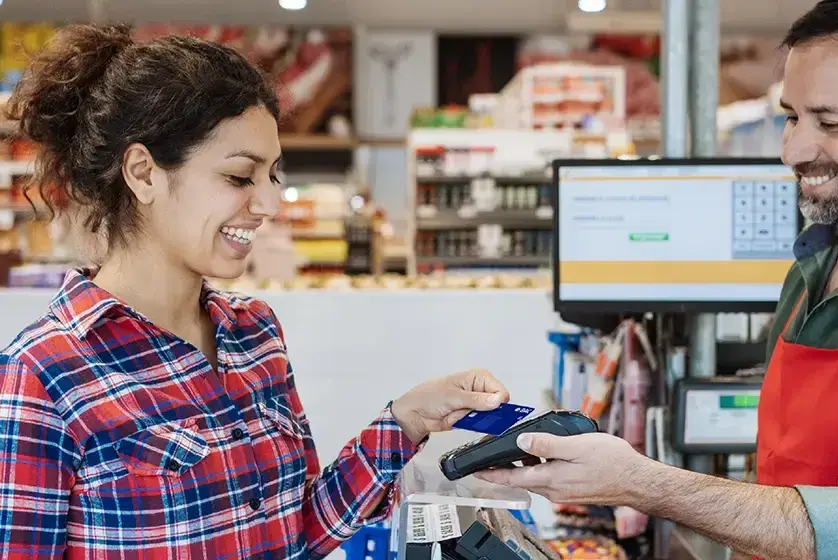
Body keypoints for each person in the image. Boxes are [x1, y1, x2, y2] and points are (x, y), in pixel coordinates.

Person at [479, 1, 838, 558]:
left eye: (829, 122)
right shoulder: (811, 271)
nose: (792, 150)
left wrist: (641, 482)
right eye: (792, 116)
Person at [0, 24, 510, 559]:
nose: (268, 204)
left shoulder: (254, 333)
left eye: (272, 176)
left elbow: (301, 531)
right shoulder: (42, 375)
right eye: (241, 177)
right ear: (144, 173)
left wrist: (408, 420)